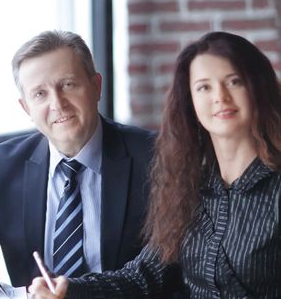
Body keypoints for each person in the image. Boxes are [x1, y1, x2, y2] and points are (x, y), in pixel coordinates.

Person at [28, 31, 281, 298]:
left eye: (234, 82)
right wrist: (71, 289)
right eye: (204, 87)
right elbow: (143, 276)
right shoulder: (189, 185)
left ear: (257, 87)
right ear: (190, 101)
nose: (220, 97)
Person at [0, 30, 156, 291]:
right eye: (40, 94)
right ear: (27, 109)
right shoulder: (6, 164)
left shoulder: (153, 157)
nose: (57, 103)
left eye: (68, 84)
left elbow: (164, 271)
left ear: (96, 87)